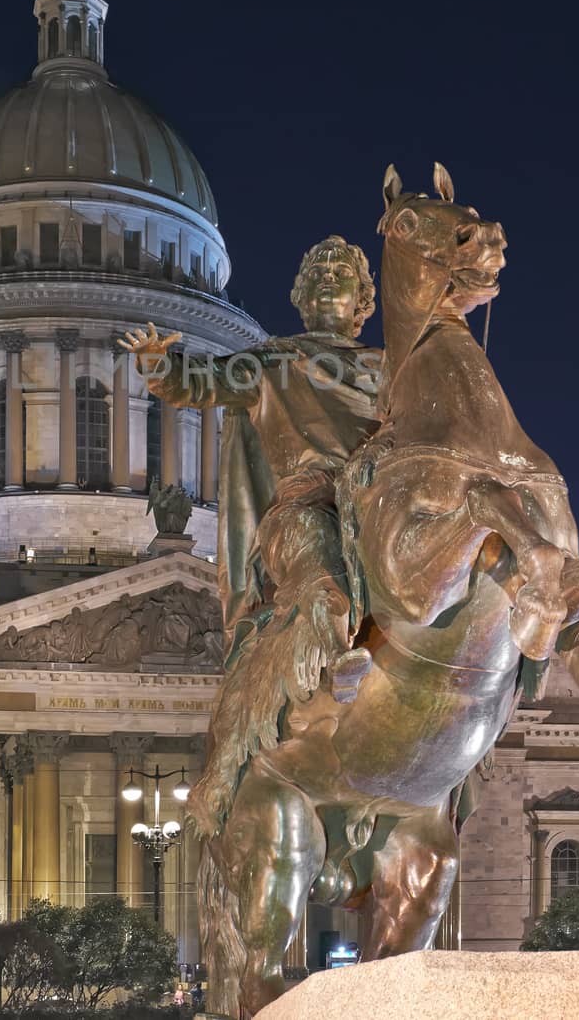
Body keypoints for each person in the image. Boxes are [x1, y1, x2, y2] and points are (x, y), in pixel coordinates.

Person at [121, 235, 382, 832]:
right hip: (301, 510)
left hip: (372, 513)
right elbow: (198, 384)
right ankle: (331, 670)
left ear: (363, 300)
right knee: (321, 584)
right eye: (314, 278)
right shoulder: (271, 364)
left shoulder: (389, 371)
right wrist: (160, 365)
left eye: (338, 277)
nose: (324, 287)